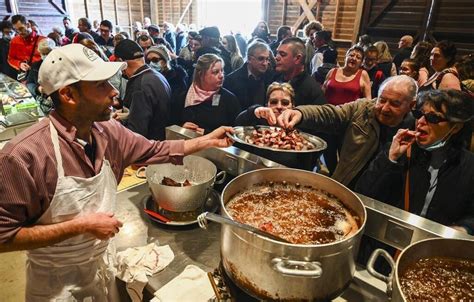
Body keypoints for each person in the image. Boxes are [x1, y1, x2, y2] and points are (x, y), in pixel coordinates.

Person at [0, 43, 232, 301]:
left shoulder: (108, 131)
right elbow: (4, 236)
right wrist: (82, 226)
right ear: (68, 95)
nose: (114, 92)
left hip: (102, 269)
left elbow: (155, 149)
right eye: (101, 85)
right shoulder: (22, 156)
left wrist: (208, 140)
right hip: (56, 285)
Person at [355, 89, 474, 235]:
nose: (421, 122)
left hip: (432, 248)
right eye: (419, 114)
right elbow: (363, 194)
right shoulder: (402, 151)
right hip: (387, 242)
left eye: (433, 118)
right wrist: (390, 159)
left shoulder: (469, 166)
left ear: (455, 127)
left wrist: (463, 228)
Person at [275, 75, 417, 188]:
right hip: (345, 186)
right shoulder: (362, 109)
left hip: (377, 199)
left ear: (411, 105)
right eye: (382, 100)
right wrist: (301, 113)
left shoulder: (415, 131)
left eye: (394, 104)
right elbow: (331, 114)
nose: (385, 108)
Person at [322, 45, 371, 174]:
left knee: (345, 154)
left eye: (358, 57)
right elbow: (322, 93)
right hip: (328, 120)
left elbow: (368, 100)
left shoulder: (363, 74)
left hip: (348, 122)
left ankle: (342, 179)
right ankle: (333, 176)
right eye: (351, 55)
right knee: (328, 152)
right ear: (346, 56)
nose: (354, 58)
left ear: (361, 62)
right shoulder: (332, 72)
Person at [114, 39, 171, 140]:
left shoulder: (139, 85)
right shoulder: (157, 75)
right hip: (160, 141)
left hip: (149, 148)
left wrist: (115, 124)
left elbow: (136, 132)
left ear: (121, 62)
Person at [181, 54, 241, 134]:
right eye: (215, 72)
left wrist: (207, 133)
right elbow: (170, 125)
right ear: (201, 74)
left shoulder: (229, 99)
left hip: (217, 145)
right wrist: (181, 128)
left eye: (222, 70)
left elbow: (236, 132)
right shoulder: (183, 96)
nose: (221, 75)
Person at [274, 37, 326, 106]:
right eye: (277, 53)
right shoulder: (274, 79)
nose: (277, 57)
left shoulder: (312, 89)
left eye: (282, 54)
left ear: (297, 58)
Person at [224, 41, 275, 109]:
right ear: (249, 59)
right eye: (261, 59)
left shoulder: (271, 77)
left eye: (267, 59)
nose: (265, 63)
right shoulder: (232, 80)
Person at [146, 45, 188, 124]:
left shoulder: (178, 77)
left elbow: (177, 103)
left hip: (172, 121)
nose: (151, 63)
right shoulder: (147, 77)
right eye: (148, 61)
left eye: (155, 60)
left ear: (165, 61)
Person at [8, 14, 45, 79]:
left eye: (21, 28)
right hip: (26, 78)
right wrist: (19, 64)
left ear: (28, 25)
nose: (19, 32)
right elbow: (11, 59)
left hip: (43, 75)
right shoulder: (14, 41)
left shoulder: (43, 40)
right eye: (16, 30)